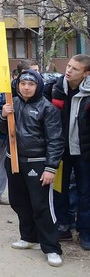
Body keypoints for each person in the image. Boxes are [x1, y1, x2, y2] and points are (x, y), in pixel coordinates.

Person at [0, 70, 65, 267]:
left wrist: (51, 167)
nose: (26, 87)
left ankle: (52, 248)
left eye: (31, 84)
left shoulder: (47, 108)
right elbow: (3, 130)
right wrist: (3, 116)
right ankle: (29, 237)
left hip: (37, 162)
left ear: (38, 86)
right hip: (14, 160)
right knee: (18, 201)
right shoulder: (12, 103)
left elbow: (55, 140)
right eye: (23, 83)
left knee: (41, 205)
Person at [45, 54, 90, 249]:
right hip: (60, 150)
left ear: (86, 73)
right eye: (69, 66)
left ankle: (85, 231)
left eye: (75, 69)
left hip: (84, 152)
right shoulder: (54, 88)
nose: (69, 70)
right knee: (59, 190)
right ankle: (63, 225)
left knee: (85, 192)